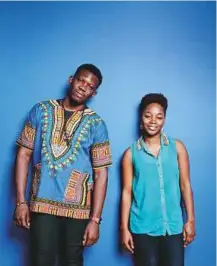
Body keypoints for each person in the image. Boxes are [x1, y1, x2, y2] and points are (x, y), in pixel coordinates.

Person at [14, 63, 112, 266]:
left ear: (94, 93)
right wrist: (21, 202)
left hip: (78, 209)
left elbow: (101, 174)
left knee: (73, 262)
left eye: (90, 86)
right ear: (71, 80)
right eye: (81, 80)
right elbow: (23, 155)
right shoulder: (41, 110)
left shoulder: (96, 124)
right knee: (41, 261)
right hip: (42, 203)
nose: (84, 86)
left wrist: (95, 220)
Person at [120, 93, 195, 266]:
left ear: (164, 120)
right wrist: (124, 229)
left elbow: (185, 185)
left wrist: (190, 220)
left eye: (159, 117)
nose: (153, 121)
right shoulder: (130, 154)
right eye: (148, 116)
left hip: (174, 227)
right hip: (143, 228)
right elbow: (126, 192)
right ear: (141, 118)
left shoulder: (178, 148)